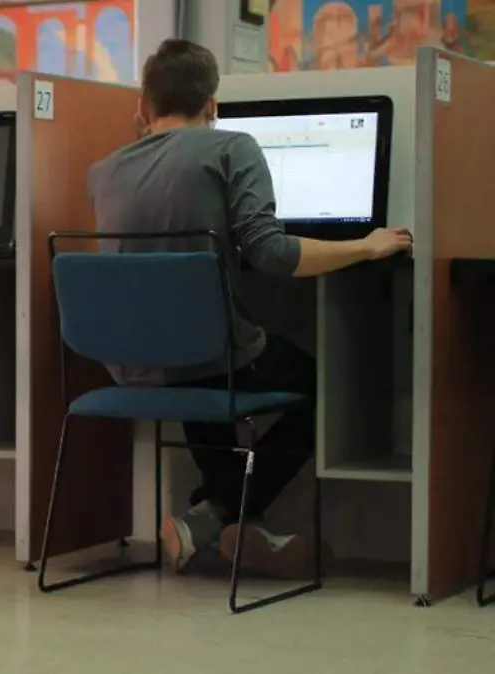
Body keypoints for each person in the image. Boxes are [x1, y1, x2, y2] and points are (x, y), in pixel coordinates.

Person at [87, 40, 412, 577]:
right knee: (323, 388)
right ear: (213, 106)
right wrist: (367, 245)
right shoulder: (232, 148)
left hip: (135, 362)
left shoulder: (102, 172)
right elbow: (272, 253)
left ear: (142, 107)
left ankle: (226, 519)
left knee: (201, 361)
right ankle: (218, 512)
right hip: (209, 357)